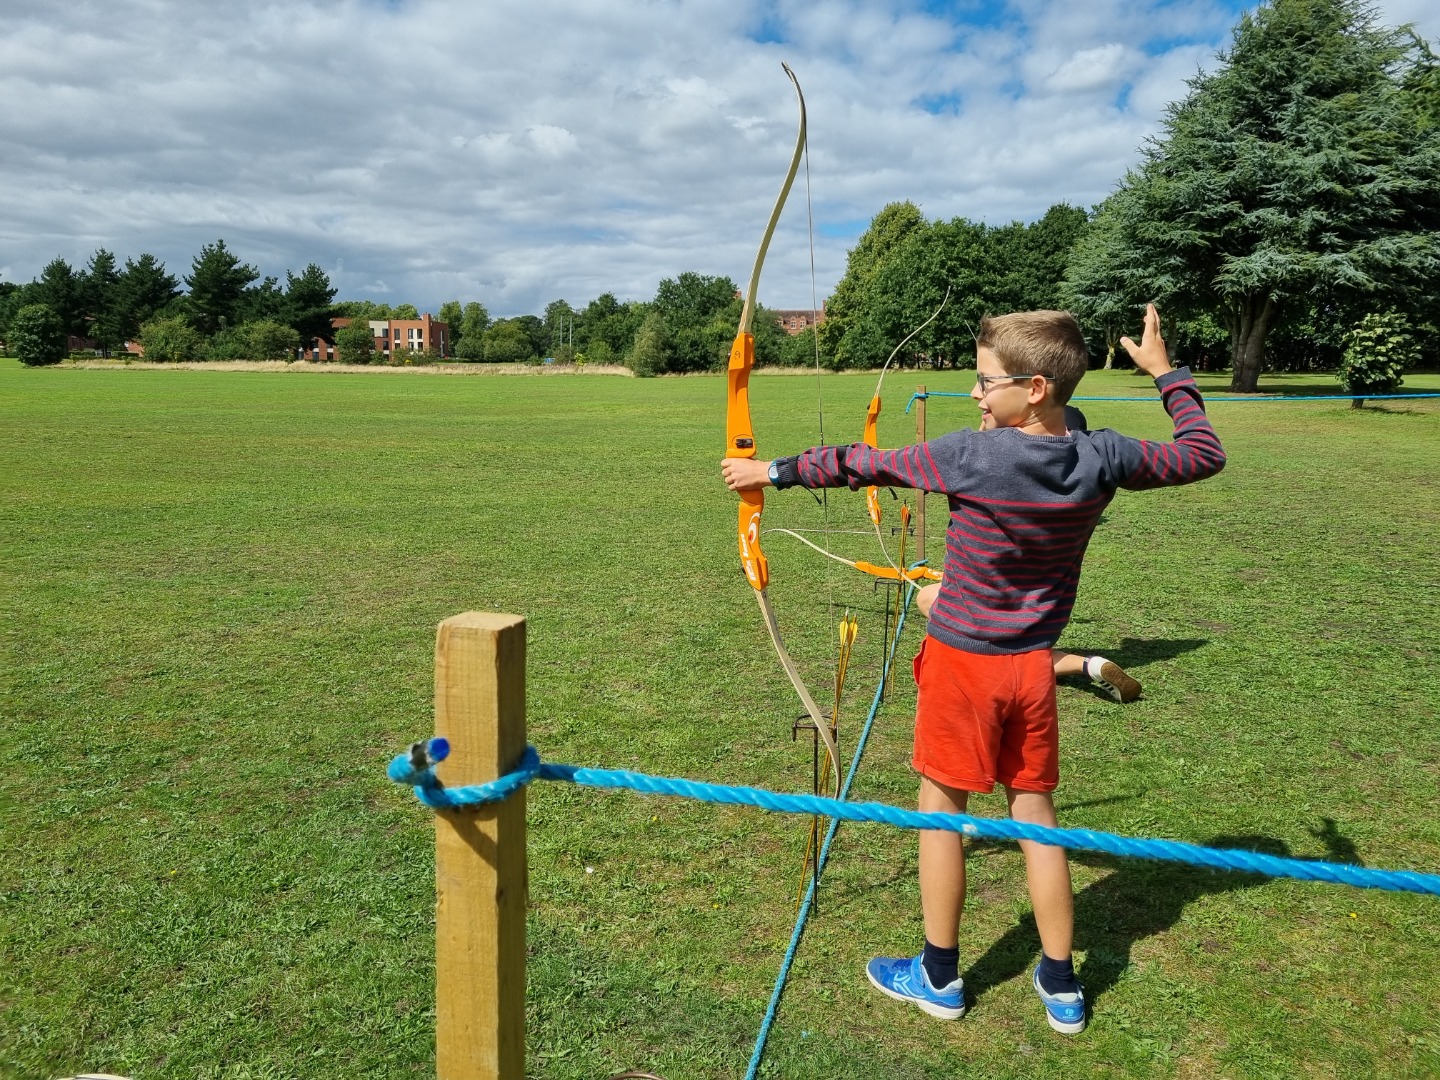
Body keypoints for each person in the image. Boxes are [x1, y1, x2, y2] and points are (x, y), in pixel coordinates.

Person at [721, 305, 1225, 1034]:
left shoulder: (970, 456)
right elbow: (1202, 452)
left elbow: (861, 463)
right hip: (1032, 667)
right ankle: (1060, 987)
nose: (976, 396)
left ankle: (938, 977)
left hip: (964, 666)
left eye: (988, 383)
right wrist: (1165, 374)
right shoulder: (1101, 456)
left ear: (1036, 390)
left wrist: (769, 469)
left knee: (941, 817)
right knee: (1036, 819)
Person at [914, 389, 1141, 705]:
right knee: (1019, 645)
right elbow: (1200, 454)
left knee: (931, 601)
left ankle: (1083, 665)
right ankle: (1089, 665)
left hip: (1001, 615)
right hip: (1044, 607)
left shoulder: (997, 471)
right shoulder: (1076, 492)